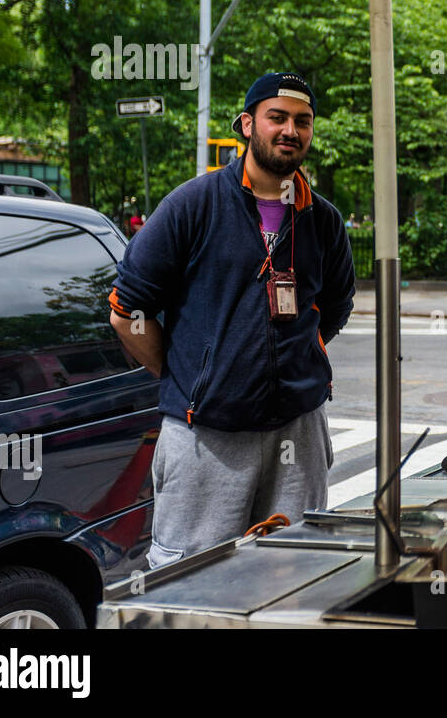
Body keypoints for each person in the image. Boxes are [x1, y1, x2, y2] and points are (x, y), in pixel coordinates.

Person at [108, 72, 356, 569]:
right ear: (248, 125)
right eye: (277, 118)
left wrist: (288, 364)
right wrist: (192, 377)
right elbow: (126, 310)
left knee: (294, 573)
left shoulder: (323, 219)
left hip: (298, 433)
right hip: (207, 439)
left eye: (302, 121)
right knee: (194, 582)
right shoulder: (192, 205)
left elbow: (335, 308)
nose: (291, 130)